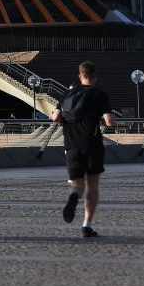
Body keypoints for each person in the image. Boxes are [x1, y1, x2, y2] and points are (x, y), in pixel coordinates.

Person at [52, 61, 114, 237]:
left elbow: (56, 117)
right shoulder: (99, 94)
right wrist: (105, 122)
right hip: (92, 144)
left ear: (80, 76)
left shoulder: (67, 93)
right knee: (92, 185)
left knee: (77, 186)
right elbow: (109, 122)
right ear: (95, 77)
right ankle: (86, 225)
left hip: (71, 145)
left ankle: (73, 197)